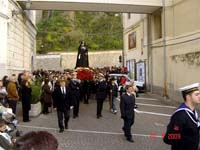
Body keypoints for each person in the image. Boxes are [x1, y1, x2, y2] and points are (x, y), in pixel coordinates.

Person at [163, 83, 200, 150]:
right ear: (188, 97)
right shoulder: (180, 116)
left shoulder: (194, 113)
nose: (199, 96)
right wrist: (185, 138)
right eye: (197, 94)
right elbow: (168, 138)